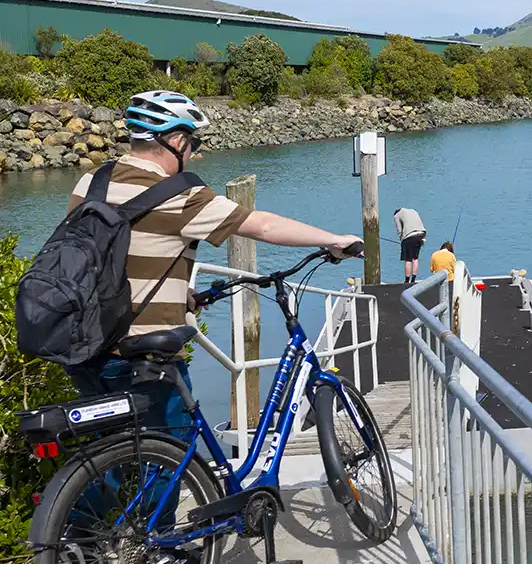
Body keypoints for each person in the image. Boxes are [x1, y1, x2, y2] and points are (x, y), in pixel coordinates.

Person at [65, 90, 362, 440]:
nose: (194, 151)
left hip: (85, 345)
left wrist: (181, 293)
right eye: (193, 141)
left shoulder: (92, 183)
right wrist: (333, 240)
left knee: (109, 459)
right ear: (176, 140)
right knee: (168, 457)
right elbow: (263, 226)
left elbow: (101, 255)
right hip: (143, 355)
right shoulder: (180, 196)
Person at [394, 206, 427, 284]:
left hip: (409, 235)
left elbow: (399, 230)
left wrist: (402, 242)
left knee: (408, 259)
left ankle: (407, 280)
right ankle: (413, 279)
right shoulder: (413, 210)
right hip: (421, 234)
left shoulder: (397, 215)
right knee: (415, 258)